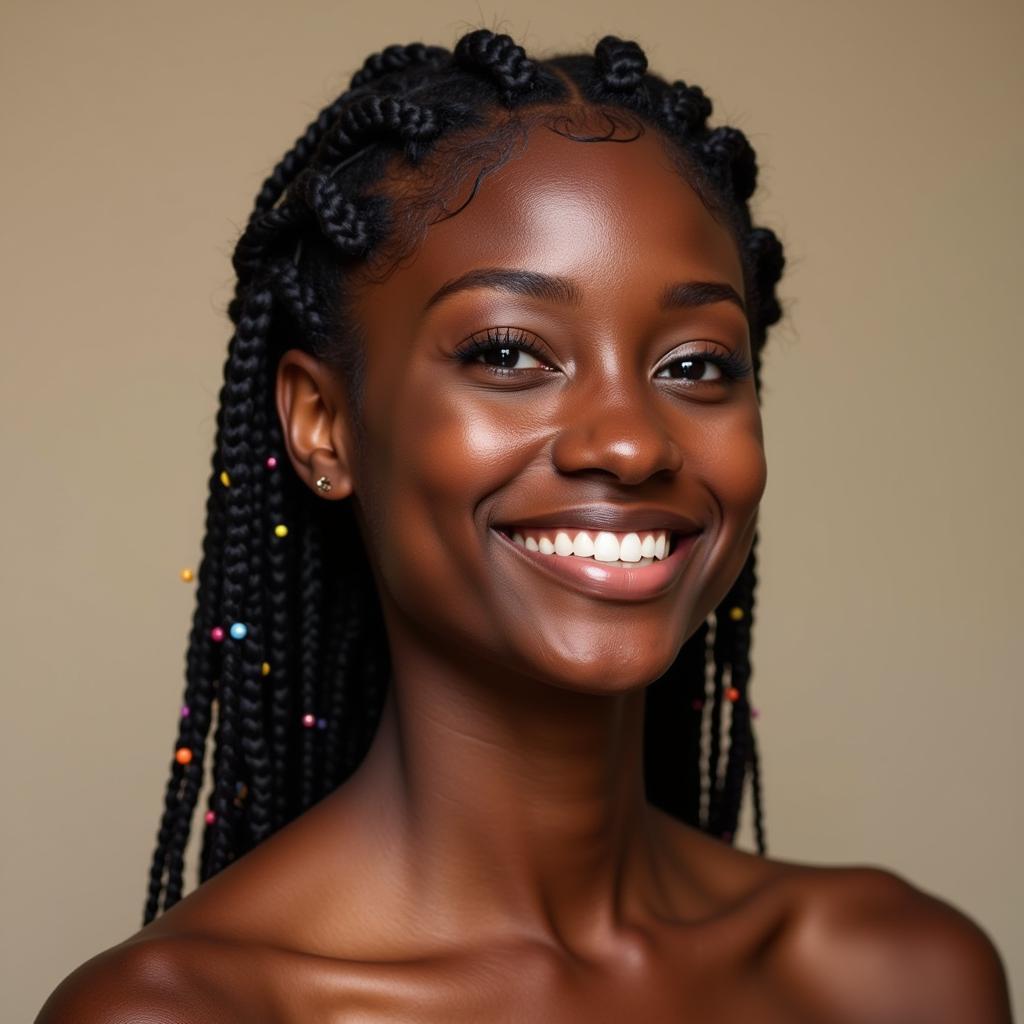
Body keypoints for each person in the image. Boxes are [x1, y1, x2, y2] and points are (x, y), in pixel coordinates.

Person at [37, 30, 1011, 1022]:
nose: (632, 445)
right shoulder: (185, 1012)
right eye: (509, 352)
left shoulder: (896, 979)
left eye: (693, 364)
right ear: (323, 424)